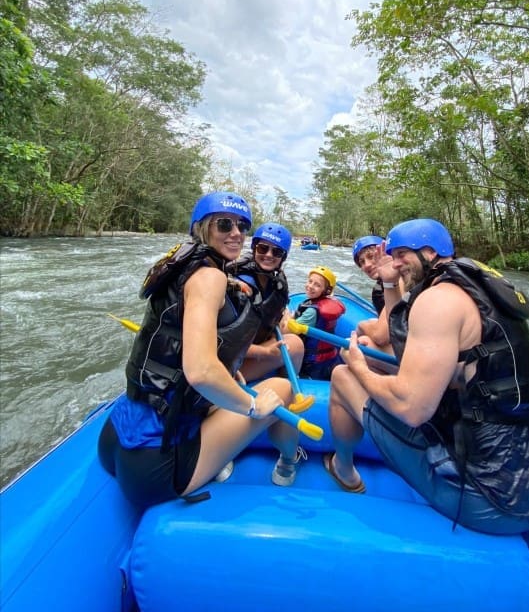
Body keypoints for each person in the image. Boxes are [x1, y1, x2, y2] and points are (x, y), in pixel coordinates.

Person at [325, 218, 529, 535]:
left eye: (400, 255)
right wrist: (387, 285)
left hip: (488, 500)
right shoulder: (479, 291)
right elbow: (416, 358)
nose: (395, 265)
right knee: (378, 369)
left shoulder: (436, 300)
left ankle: (343, 470)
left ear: (429, 251)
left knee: (343, 376)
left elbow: (412, 408)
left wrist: (358, 366)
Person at [98, 192, 303, 509]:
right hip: (157, 463)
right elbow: (201, 372)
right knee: (281, 388)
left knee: (228, 382)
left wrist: (228, 367)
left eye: (242, 226)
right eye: (225, 225)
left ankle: (219, 449)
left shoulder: (182, 265)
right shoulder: (210, 277)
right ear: (202, 227)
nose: (236, 233)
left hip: (115, 436)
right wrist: (253, 405)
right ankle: (290, 459)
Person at [229, 222, 304, 382]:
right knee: (296, 345)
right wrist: (264, 352)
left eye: (276, 252)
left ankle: (284, 379)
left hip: (250, 346)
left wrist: (282, 315)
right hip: (230, 361)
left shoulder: (275, 281)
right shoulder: (240, 287)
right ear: (254, 248)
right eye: (263, 248)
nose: (269, 255)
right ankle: (287, 386)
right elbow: (223, 343)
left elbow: (272, 310)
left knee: (290, 331)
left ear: (282, 257)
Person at [293, 266, 346, 380]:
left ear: (326, 291)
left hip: (312, 362)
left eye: (317, 285)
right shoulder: (324, 304)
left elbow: (291, 329)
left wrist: (286, 316)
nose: (310, 286)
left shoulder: (312, 311)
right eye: (310, 281)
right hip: (329, 358)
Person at [351, 235, 396, 355]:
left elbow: (381, 336)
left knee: (358, 341)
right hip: (403, 341)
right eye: (362, 262)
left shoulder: (397, 281)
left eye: (371, 257)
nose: (367, 265)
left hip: (416, 353)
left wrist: (362, 327)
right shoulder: (380, 287)